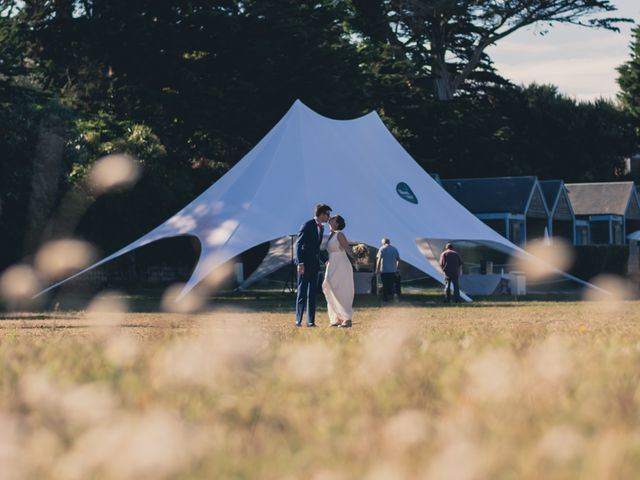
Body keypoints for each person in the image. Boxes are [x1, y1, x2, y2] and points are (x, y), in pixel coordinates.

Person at [295, 203, 332, 327]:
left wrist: (325, 260)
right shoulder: (307, 225)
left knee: (312, 294)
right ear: (321, 214)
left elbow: (316, 249)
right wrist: (300, 262)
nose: (328, 217)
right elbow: (298, 245)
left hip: (315, 266)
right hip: (304, 265)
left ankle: (310, 321)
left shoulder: (321, 228)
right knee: (302, 292)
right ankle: (298, 320)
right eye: (327, 214)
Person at [322, 215, 355, 328]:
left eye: (333, 218)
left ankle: (347, 319)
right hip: (332, 264)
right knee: (329, 287)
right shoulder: (331, 234)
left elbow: (347, 248)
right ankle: (337, 318)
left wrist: (357, 257)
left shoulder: (339, 234)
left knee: (342, 290)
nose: (330, 218)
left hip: (341, 264)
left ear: (336, 223)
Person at [375, 238, 400, 303]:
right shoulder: (394, 249)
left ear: (384, 242)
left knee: (385, 285)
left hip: (384, 270)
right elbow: (398, 260)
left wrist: (377, 269)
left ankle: (385, 298)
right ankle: (393, 297)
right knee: (392, 284)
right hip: (393, 270)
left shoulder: (382, 248)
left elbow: (379, 260)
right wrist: (397, 268)